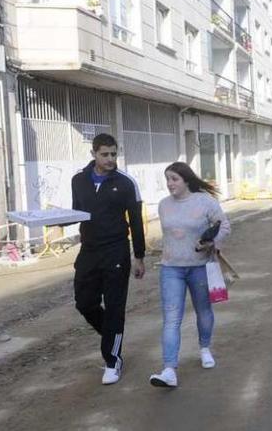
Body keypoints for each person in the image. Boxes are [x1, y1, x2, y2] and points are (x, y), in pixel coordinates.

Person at [71, 133, 145, 385]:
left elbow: (136, 221)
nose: (110, 159)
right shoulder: (78, 180)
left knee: (114, 307)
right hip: (89, 252)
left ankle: (112, 360)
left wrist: (139, 256)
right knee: (84, 302)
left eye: (114, 154)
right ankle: (112, 335)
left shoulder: (125, 183)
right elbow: (78, 212)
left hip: (116, 251)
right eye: (105, 154)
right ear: (93, 154)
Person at [149, 162, 231, 388]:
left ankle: (204, 348)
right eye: (167, 179)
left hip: (200, 267)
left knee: (203, 310)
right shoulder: (164, 205)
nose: (170, 184)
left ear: (186, 180)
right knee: (171, 318)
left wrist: (212, 243)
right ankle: (169, 370)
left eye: (174, 179)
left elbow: (224, 226)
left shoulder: (205, 201)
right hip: (170, 268)